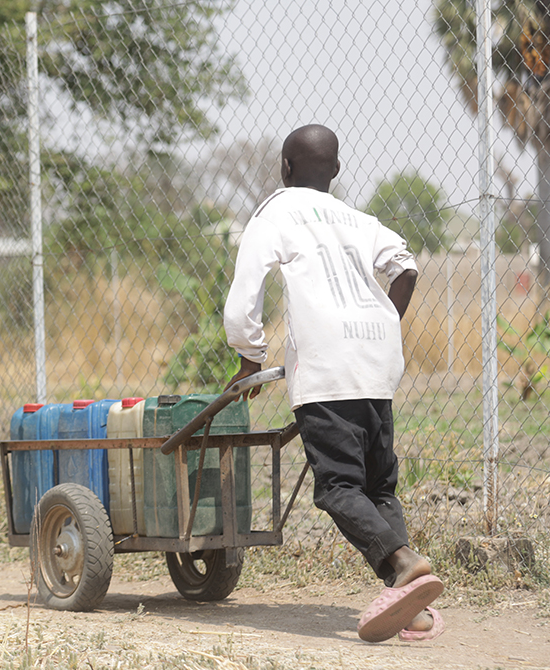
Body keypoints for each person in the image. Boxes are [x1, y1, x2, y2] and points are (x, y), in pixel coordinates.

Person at [222, 125, 440, 644]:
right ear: (336, 171)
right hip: (377, 361)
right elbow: (405, 267)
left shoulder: (274, 212)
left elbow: (241, 303)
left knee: (339, 487)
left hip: (326, 369)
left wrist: (250, 358)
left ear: (285, 168)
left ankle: (403, 560)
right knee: (378, 486)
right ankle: (411, 597)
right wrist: (384, 325)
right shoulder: (360, 219)